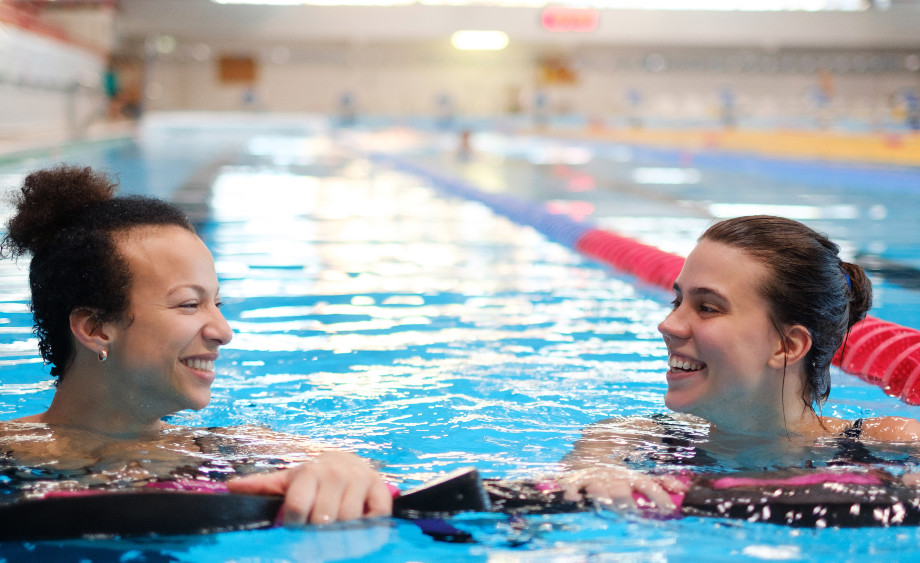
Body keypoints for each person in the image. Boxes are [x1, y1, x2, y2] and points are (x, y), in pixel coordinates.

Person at [0, 165, 392, 525]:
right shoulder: (8, 457)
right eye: (190, 304)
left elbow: (370, 475)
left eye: (216, 303)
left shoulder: (236, 452)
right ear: (96, 327)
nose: (223, 330)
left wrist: (343, 472)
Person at [561, 215, 920, 510]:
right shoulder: (630, 438)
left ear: (788, 346)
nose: (667, 325)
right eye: (677, 301)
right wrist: (593, 473)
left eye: (707, 307)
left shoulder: (886, 443)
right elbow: (586, 466)